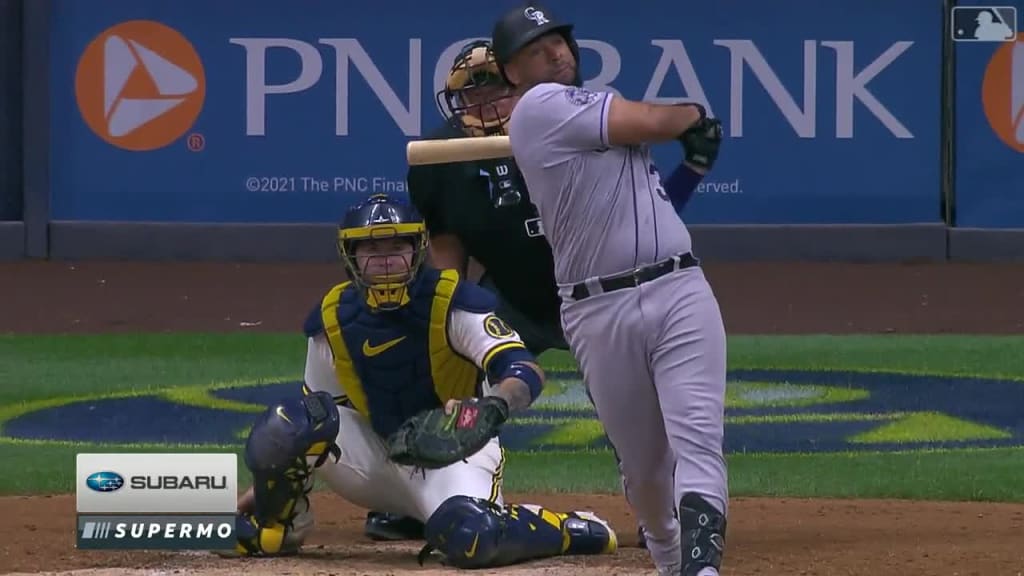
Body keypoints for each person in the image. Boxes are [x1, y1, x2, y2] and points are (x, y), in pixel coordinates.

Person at [361, 39, 722, 546]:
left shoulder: (571, 126)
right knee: (454, 385)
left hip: (597, 293)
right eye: (472, 97)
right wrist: (450, 326)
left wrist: (693, 170)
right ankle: (425, 497)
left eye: (496, 94)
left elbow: (644, 217)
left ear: (523, 90)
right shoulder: (439, 161)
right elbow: (448, 253)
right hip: (516, 296)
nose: (485, 107)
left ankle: (659, 514)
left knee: (640, 411)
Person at [228, 193, 618, 568]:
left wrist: (493, 404)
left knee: (473, 537)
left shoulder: (454, 303)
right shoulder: (331, 320)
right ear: (351, 256)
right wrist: (261, 494)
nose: (385, 261)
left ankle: (567, 529)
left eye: (397, 247)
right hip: (376, 459)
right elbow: (314, 419)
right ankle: (277, 528)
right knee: (288, 421)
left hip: (453, 453)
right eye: (371, 250)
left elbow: (522, 371)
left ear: (418, 250)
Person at [492, 4, 729, 576]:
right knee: (644, 470)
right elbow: (655, 122)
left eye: (559, 42)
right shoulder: (540, 109)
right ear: (512, 73)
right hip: (598, 308)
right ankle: (670, 558)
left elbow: (647, 209)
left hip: (679, 287)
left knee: (697, 440)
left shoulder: (593, 109)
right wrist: (693, 113)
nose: (556, 53)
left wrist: (691, 170)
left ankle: (701, 570)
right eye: (536, 49)